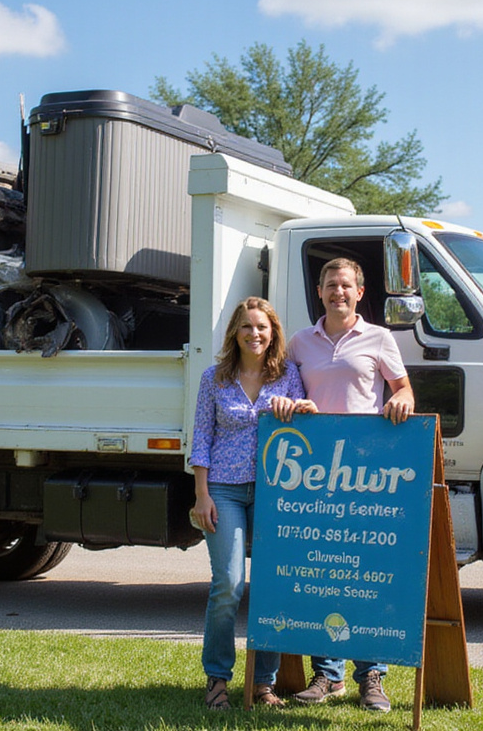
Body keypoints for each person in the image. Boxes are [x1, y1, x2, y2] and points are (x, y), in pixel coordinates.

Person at [281, 257, 414, 714]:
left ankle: (372, 676)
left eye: (346, 285)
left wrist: (399, 399)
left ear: (360, 292)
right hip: (315, 475)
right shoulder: (300, 342)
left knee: (367, 577)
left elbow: (404, 390)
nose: (338, 291)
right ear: (319, 292)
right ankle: (328, 675)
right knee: (323, 575)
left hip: (365, 474)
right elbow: (284, 391)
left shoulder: (380, 338)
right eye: (330, 285)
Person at [189, 296, 312, 710]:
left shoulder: (288, 375)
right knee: (228, 583)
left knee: (272, 586)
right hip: (223, 489)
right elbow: (202, 437)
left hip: (274, 490)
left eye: (262, 326)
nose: (254, 334)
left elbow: (308, 417)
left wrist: (299, 406)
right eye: (246, 326)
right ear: (234, 333)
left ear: (273, 331)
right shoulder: (214, 378)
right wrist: (201, 495)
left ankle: (263, 683)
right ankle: (217, 679)